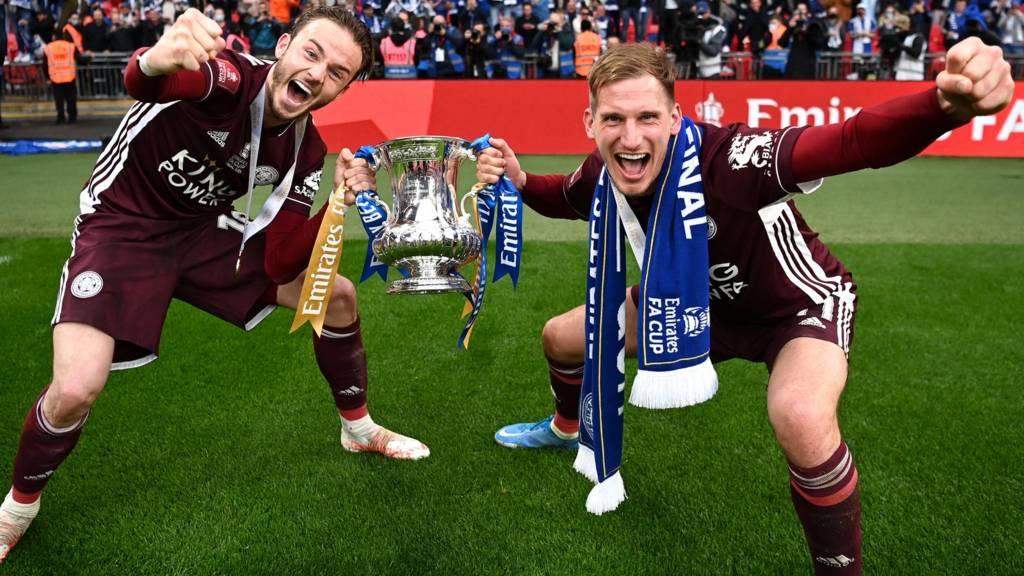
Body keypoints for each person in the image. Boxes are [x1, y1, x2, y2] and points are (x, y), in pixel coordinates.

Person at [475, 39, 1013, 575]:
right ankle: (568, 427)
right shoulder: (603, 170)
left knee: (800, 415)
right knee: (561, 337)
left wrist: (944, 109)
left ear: (675, 117)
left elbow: (850, 141)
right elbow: (565, 198)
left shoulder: (732, 159)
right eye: (614, 119)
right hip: (693, 305)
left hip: (794, 308)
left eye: (647, 117)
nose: (631, 137)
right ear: (589, 121)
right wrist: (521, 181)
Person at [0, 5, 430, 564]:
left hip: (203, 234)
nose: (318, 73)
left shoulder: (308, 149)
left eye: (337, 72)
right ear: (283, 46)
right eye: (312, 52)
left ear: (342, 90)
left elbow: (278, 262)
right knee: (77, 388)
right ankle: (17, 508)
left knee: (337, 295)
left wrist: (337, 203)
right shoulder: (227, 77)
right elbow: (152, 80)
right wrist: (156, 57)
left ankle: (359, 427)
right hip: (124, 226)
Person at [43, 29, 87, 125]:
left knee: (59, 99)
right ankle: (72, 117)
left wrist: (47, 77)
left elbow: (45, 65)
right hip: (69, 77)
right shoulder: (70, 46)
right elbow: (79, 58)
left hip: (56, 78)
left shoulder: (48, 48)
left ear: (54, 36)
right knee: (71, 99)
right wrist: (89, 59)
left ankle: (61, 117)